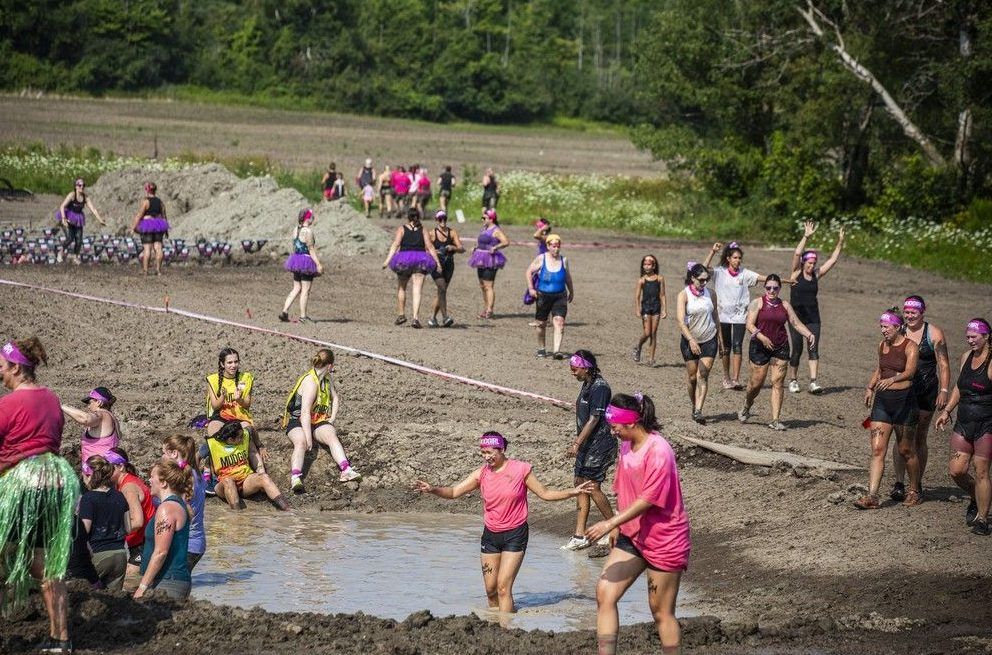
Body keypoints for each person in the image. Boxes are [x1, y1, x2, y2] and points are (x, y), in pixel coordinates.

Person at [414, 432, 593, 614]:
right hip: (491, 535)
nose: (486, 457)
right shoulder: (481, 474)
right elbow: (453, 492)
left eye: (490, 452)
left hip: (515, 534)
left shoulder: (521, 469)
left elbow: (545, 494)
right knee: (491, 591)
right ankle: (496, 624)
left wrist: (572, 492)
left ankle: (507, 629)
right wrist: (432, 489)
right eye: (483, 453)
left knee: (503, 588)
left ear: (502, 449)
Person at [584, 393, 691, 655]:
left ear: (632, 423)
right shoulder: (626, 446)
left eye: (615, 426)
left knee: (661, 611)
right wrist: (620, 526)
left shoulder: (659, 451)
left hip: (665, 539)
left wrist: (609, 523)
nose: (613, 431)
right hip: (633, 535)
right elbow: (625, 489)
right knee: (604, 593)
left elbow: (648, 500)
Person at [0, 337, 80, 653]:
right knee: (46, 564)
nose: (0, 374)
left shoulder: (7, 404)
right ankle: (60, 639)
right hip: (57, 484)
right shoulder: (51, 399)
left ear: (16, 367)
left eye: (2, 368)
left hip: (23, 485)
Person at [854, 310, 920, 509]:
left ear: (898, 326)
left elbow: (910, 371)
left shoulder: (911, 346)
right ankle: (872, 496)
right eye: (881, 327)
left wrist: (892, 379)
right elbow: (880, 368)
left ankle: (915, 490)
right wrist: (870, 387)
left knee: (906, 450)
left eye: (886, 327)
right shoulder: (882, 345)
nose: (883, 331)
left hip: (904, 403)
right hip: (882, 403)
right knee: (877, 450)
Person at [891, 295, 950, 501]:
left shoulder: (933, 334)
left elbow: (943, 364)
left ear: (922, 312)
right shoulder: (899, 331)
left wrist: (944, 390)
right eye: (906, 312)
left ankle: (917, 482)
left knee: (919, 437)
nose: (909, 316)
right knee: (900, 438)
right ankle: (899, 482)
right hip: (902, 391)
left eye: (913, 313)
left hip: (926, 391)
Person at [738, 275, 815, 430]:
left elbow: (795, 322)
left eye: (775, 288)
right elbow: (749, 325)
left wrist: (809, 334)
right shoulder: (757, 303)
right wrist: (761, 336)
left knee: (778, 383)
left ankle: (775, 420)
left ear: (779, 289)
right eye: (768, 288)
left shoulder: (785, 305)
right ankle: (747, 404)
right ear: (764, 288)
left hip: (780, 346)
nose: (771, 291)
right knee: (756, 384)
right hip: (759, 346)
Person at [936, 318, 992, 535]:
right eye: (967, 337)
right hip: (964, 422)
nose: (970, 341)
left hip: (986, 425)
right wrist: (947, 410)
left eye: (974, 337)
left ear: (986, 336)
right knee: (956, 471)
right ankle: (975, 496)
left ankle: (983, 519)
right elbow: (960, 387)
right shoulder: (966, 357)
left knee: (981, 472)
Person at [282, 348, 361, 492]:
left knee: (331, 434)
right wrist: (308, 437)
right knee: (301, 442)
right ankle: (295, 477)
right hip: (298, 420)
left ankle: (346, 470)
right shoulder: (310, 382)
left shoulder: (327, 378)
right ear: (330, 366)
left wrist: (332, 418)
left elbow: (335, 398)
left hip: (317, 420)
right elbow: (305, 412)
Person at [561, 351, 617, 551]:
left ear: (586, 367)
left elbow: (594, 419)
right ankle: (579, 534)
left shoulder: (601, 388)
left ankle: (614, 527)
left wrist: (576, 443)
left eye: (574, 369)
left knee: (592, 486)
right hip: (587, 443)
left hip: (600, 443)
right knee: (579, 483)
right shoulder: (587, 384)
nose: (572, 373)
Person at [787, 221, 845, 393]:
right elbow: (797, 253)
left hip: (813, 319)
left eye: (814, 263)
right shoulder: (795, 273)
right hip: (796, 318)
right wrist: (806, 236)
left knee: (813, 348)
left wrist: (840, 242)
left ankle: (813, 382)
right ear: (804, 263)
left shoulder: (816, 275)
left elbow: (833, 260)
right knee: (796, 349)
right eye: (809, 263)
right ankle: (793, 380)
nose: (812, 266)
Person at [701, 241, 765, 389]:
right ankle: (726, 378)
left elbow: (763, 278)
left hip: (740, 317)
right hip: (722, 316)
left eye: (739, 258)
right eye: (735, 257)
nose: (738, 260)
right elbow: (702, 269)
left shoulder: (745, 273)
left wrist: (785, 280)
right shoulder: (718, 272)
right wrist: (712, 251)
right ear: (728, 258)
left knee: (737, 346)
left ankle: (735, 379)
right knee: (725, 348)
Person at [134, 459, 192, 600]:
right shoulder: (177, 504)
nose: (149, 480)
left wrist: (142, 587)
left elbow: (161, 552)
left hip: (168, 581)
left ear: (164, 482)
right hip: (172, 580)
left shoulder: (167, 508)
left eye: (152, 477)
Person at [676, 263, 723, 425]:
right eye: (701, 280)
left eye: (706, 280)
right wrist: (691, 340)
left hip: (709, 338)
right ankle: (693, 404)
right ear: (692, 278)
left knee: (702, 375)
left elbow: (716, 316)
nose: (704, 283)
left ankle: (698, 410)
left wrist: (721, 340)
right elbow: (681, 322)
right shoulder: (684, 295)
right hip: (690, 340)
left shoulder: (711, 294)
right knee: (691, 377)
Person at [206, 422, 290, 511]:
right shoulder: (212, 444)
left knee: (264, 477)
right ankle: (237, 516)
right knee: (228, 480)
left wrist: (260, 446)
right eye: (240, 437)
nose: (243, 438)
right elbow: (195, 457)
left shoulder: (245, 435)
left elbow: (251, 429)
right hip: (224, 485)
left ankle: (287, 509)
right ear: (231, 439)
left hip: (245, 480)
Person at [383, 208, 443, 328]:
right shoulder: (423, 230)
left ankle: (401, 314)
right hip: (421, 260)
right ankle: (415, 318)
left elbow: (395, 244)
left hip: (404, 260)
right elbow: (430, 247)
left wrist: (387, 260)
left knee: (402, 288)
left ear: (408, 217)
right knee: (417, 290)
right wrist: (438, 263)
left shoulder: (402, 229)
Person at [79, 454, 130, 590]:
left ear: (89, 475)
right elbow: (128, 528)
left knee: (87, 596)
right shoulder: (119, 496)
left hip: (98, 553)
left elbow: (84, 530)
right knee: (115, 601)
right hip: (120, 554)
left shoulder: (88, 498)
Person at [107, 446, 155, 589]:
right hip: (140, 543)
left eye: (107, 467)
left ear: (120, 466)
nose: (103, 471)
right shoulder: (126, 483)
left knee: (128, 585)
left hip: (144, 544)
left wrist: (112, 534)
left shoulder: (128, 488)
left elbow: (137, 521)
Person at [161, 434, 207, 570]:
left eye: (163, 453)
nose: (161, 457)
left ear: (174, 453)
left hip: (186, 544)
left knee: (173, 586)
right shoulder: (195, 473)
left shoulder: (182, 477)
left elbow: (188, 511)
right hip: (197, 543)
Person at [526, 233, 574, 359]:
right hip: (543, 296)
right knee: (541, 324)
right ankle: (541, 348)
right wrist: (531, 288)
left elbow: (567, 277)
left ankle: (556, 351)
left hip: (560, 296)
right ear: (548, 246)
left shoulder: (564, 260)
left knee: (559, 322)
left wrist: (571, 291)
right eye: (553, 246)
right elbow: (529, 272)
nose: (556, 249)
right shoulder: (541, 258)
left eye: (558, 246)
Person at [280, 208, 324, 324]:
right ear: (307, 218)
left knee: (296, 288)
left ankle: (284, 311)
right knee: (305, 290)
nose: (313, 218)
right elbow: (311, 250)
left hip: (296, 259)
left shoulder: (295, 230)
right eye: (312, 216)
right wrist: (318, 264)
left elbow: (295, 246)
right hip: (306, 261)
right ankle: (303, 317)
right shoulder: (308, 232)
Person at [61, 386, 120, 465]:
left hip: (99, 472)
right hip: (105, 468)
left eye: (90, 402)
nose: (88, 406)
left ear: (99, 402)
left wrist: (60, 406)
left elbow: (85, 419)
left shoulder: (102, 414)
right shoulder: (113, 419)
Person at [468, 208, 509, 319]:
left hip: (490, 259)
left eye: (484, 218)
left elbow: (506, 242)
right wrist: (475, 247)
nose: (482, 219)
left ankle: (490, 310)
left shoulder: (496, 230)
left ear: (491, 219)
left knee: (488, 286)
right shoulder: (484, 228)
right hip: (480, 259)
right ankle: (486, 308)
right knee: (482, 285)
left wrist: (495, 247)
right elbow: (481, 242)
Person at [428, 209, 464, 328]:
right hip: (435, 264)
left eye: (444, 218)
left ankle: (432, 318)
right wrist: (436, 251)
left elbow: (461, 249)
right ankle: (445, 317)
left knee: (441, 291)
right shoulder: (431, 233)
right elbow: (425, 249)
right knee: (442, 288)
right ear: (436, 220)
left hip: (449, 265)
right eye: (440, 219)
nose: (443, 221)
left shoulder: (452, 233)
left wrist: (452, 247)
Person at [57, 178, 107, 264]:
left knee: (79, 239)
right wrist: (63, 218)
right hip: (68, 217)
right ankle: (60, 252)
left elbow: (93, 209)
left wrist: (100, 219)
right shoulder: (72, 195)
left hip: (78, 219)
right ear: (76, 186)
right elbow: (62, 206)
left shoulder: (85, 197)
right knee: (70, 237)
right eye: (79, 185)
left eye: (83, 185)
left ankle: (75, 257)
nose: (82, 187)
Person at [633, 254, 668, 367]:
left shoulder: (660, 279)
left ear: (654, 266)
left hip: (656, 308)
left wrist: (664, 309)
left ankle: (651, 359)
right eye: (645, 264)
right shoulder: (641, 281)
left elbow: (662, 295)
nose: (646, 266)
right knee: (647, 332)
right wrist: (638, 309)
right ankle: (638, 346)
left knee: (653, 333)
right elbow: (637, 296)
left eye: (649, 264)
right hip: (646, 308)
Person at [131, 181, 169, 276]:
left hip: (147, 224)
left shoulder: (146, 202)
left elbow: (139, 215)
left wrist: (133, 227)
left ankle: (145, 271)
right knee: (158, 248)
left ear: (147, 190)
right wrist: (166, 229)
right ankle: (158, 270)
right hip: (159, 225)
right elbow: (164, 216)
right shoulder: (160, 202)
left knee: (147, 249)